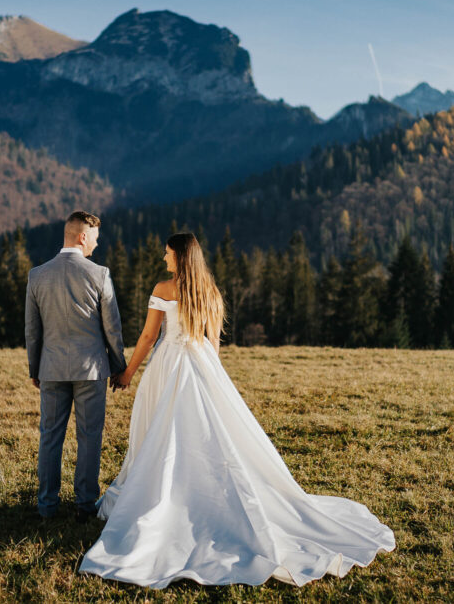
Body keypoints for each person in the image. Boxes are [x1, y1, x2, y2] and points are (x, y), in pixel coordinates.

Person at [80, 232, 395, 588]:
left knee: (161, 429)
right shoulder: (211, 293)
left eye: (168, 254)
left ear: (180, 258)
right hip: (201, 365)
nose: (163, 259)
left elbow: (150, 337)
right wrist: (211, 379)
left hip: (168, 366)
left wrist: (128, 372)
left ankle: (162, 490)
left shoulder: (165, 288)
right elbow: (213, 346)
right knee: (206, 432)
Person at [25, 210, 126, 521]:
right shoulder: (99, 274)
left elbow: (32, 329)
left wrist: (35, 369)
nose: (97, 244)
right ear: (83, 237)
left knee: (50, 436)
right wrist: (118, 365)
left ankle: (47, 506)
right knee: (89, 435)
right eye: (95, 237)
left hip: (51, 368)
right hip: (91, 370)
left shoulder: (37, 275)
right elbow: (112, 328)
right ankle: (85, 504)